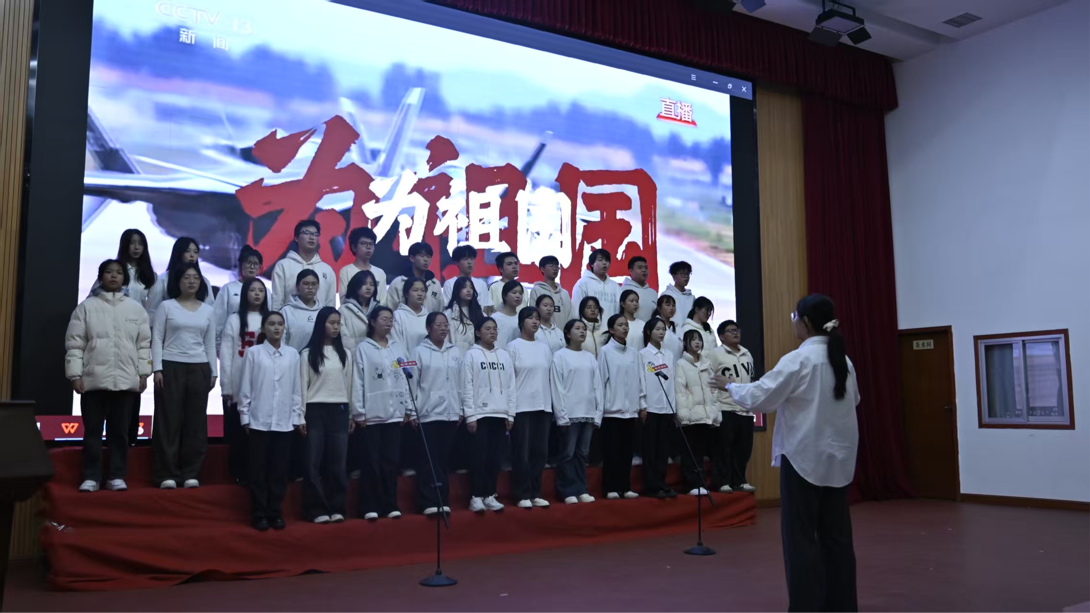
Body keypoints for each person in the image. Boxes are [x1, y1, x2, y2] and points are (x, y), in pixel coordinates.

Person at [711, 295, 860, 613]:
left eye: (794, 316)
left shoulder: (799, 360)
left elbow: (761, 397)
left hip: (803, 459)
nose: (793, 322)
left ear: (805, 322)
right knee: (837, 539)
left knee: (800, 540)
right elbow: (854, 400)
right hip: (838, 460)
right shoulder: (844, 361)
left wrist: (729, 386)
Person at [66, 260, 151, 493]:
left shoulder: (136, 309)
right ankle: (91, 477)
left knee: (120, 432)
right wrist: (75, 375)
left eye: (119, 273)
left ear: (125, 278)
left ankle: (116, 475)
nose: (114, 276)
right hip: (93, 380)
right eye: (109, 272)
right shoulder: (86, 308)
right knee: (92, 432)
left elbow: (144, 345)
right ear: (101, 276)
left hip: (125, 381)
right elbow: (75, 344)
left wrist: (144, 373)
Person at [151, 262, 217, 489]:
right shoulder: (166, 307)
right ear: (178, 281)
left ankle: (191, 473)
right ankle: (166, 474)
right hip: (171, 367)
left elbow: (210, 344)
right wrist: (157, 369)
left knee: (195, 423)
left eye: (196, 278)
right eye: (187, 277)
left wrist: (213, 372)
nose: (191, 281)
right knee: (168, 421)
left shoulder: (208, 310)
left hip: (199, 368)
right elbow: (157, 339)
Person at [238, 311, 303, 531]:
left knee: (279, 470)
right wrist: (245, 417)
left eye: (280, 324)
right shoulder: (254, 353)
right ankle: (259, 514)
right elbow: (245, 387)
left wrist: (296, 416)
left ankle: (275, 512)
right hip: (259, 421)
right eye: (272, 324)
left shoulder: (292, 355)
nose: (276, 328)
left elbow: (296, 389)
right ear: (263, 328)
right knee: (258, 471)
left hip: (284, 422)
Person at [351, 306, 410, 520]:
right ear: (372, 322)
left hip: (395, 413)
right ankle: (369, 506)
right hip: (371, 415)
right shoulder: (363, 349)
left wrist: (407, 408)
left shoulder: (398, 347)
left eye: (390, 319)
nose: (388, 323)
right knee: (371, 462)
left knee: (391, 461)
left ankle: (390, 504)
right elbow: (357, 381)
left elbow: (405, 378)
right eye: (384, 319)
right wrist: (359, 412)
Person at [299, 307, 353, 524]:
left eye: (338, 323)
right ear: (321, 324)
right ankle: (315, 509)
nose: (335, 327)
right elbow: (302, 387)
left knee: (338, 462)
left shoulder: (345, 354)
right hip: (315, 409)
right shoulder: (307, 354)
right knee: (313, 461)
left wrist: (351, 414)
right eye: (331, 323)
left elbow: (349, 385)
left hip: (339, 409)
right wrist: (301, 415)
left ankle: (337, 507)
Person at [408, 312, 462, 516]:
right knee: (428, 460)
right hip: (427, 414)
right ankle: (427, 501)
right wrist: (412, 411)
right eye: (438, 325)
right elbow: (412, 383)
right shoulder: (418, 352)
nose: (443, 328)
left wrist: (461, 409)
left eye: (445, 325)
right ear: (428, 328)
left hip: (451, 414)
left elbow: (461, 382)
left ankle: (442, 499)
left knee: (443, 459)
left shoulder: (455, 351)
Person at [461, 318, 515, 513]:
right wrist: (470, 415)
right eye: (487, 329)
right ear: (478, 332)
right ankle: (475, 497)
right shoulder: (471, 355)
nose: (492, 332)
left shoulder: (504, 355)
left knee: (494, 457)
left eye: (495, 329)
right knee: (479, 457)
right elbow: (466, 386)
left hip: (500, 413)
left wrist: (511, 414)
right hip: (480, 414)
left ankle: (490, 494)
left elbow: (511, 386)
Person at [219, 278, 269, 484]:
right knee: (239, 432)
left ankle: (259, 472)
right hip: (239, 382)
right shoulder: (234, 320)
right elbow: (226, 354)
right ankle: (238, 473)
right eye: (252, 290)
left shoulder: (269, 319)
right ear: (244, 293)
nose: (257, 294)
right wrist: (227, 386)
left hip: (264, 382)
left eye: (261, 290)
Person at [551, 320, 603, 504]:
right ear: (567, 333)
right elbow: (557, 387)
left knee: (582, 454)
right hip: (570, 413)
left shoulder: (590, 357)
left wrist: (598, 414)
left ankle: (582, 489)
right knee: (567, 454)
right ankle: (567, 491)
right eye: (577, 329)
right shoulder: (560, 356)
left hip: (588, 412)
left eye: (584, 329)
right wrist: (561, 415)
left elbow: (598, 386)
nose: (582, 332)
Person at [506, 307, 553, 509]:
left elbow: (549, 377)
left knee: (540, 452)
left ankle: (535, 492)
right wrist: (509, 410)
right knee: (522, 453)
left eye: (537, 318)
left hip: (543, 406)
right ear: (521, 322)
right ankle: (522, 493)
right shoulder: (512, 347)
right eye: (530, 318)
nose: (535, 321)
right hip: (522, 406)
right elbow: (508, 381)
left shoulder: (544, 348)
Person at [709, 320, 757, 494]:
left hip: (745, 409)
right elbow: (710, 381)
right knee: (724, 449)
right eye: (730, 331)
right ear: (721, 336)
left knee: (743, 449)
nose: (735, 333)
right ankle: (723, 482)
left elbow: (752, 379)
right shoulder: (715, 354)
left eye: (737, 330)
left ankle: (740, 480)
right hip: (725, 407)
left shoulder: (747, 354)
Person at [597, 314, 641, 500]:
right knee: (612, 452)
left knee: (626, 452)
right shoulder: (605, 352)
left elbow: (639, 380)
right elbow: (600, 382)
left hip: (630, 411)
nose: (625, 328)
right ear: (611, 329)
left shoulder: (633, 353)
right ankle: (610, 488)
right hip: (612, 411)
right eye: (620, 325)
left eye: (626, 325)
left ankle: (625, 487)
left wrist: (640, 405)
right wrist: (600, 410)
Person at [675, 329, 718, 496]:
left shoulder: (707, 363)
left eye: (699, 339)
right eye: (693, 339)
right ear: (686, 343)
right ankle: (691, 484)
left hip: (706, 416)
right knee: (689, 453)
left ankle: (701, 483)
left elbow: (714, 389)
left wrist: (714, 411)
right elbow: (680, 391)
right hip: (690, 416)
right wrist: (684, 415)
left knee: (700, 452)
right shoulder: (681, 364)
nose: (697, 342)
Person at [639, 317, 678, 499]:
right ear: (649, 332)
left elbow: (673, 381)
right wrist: (643, 405)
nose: (661, 332)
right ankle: (651, 486)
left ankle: (662, 484)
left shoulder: (669, 355)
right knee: (650, 450)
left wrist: (674, 407)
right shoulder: (643, 354)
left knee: (663, 450)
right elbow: (641, 380)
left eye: (663, 329)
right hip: (651, 408)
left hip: (667, 408)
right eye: (657, 329)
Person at [270, 220, 336, 310]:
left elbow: (330, 304)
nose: (312, 237)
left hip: (320, 319)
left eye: (315, 234)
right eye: (306, 233)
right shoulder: (283, 266)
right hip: (290, 318)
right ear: (296, 238)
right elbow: (277, 302)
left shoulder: (327, 270)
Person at [147, 237, 214, 320]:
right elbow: (153, 310)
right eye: (187, 251)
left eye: (195, 252)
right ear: (178, 253)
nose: (192, 255)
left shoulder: (204, 281)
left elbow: (210, 308)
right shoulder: (162, 279)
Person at [89, 229, 156, 310]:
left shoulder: (150, 274)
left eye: (140, 244)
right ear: (125, 244)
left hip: (138, 316)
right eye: (132, 243)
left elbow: (153, 307)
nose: (136, 247)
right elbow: (92, 296)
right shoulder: (113, 271)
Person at [212, 246, 264, 348]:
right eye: (248, 262)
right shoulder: (228, 289)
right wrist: (217, 346)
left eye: (255, 263)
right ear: (241, 265)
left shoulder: (266, 291)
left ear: (259, 268)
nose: (252, 266)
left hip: (257, 344)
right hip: (231, 342)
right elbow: (218, 320)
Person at [386, 242, 444, 313]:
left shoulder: (435, 284)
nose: (426, 259)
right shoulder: (398, 283)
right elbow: (390, 309)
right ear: (412, 258)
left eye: (428, 256)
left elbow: (440, 310)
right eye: (422, 256)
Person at [338, 227, 387, 306]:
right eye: (364, 243)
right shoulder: (346, 271)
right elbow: (344, 300)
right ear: (354, 247)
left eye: (371, 244)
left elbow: (383, 301)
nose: (368, 247)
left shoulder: (380, 273)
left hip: (376, 313)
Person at [571, 248, 620, 320]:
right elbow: (576, 311)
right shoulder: (582, 284)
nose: (604, 263)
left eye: (607, 260)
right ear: (592, 264)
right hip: (589, 327)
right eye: (600, 260)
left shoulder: (616, 287)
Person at [281, 269, 324, 351]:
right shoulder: (286, 311)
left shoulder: (323, 312)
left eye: (314, 284)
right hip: (292, 357)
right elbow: (281, 340)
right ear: (297, 286)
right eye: (306, 284)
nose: (310, 287)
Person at [339, 269, 379, 354]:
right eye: (364, 284)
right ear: (355, 286)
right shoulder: (344, 310)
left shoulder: (379, 309)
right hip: (353, 355)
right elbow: (344, 338)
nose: (368, 288)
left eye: (372, 285)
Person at [441, 244, 492, 310]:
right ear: (457, 262)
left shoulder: (481, 284)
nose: (469, 262)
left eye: (472, 259)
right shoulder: (449, 284)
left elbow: (487, 308)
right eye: (465, 259)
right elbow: (448, 307)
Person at [444, 276, 485, 353]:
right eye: (464, 287)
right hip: (455, 355)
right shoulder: (449, 314)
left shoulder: (480, 314)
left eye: (471, 287)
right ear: (457, 290)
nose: (469, 290)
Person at [528, 255, 572, 325]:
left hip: (563, 331)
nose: (555, 269)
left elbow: (570, 316)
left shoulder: (565, 293)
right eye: (551, 266)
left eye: (557, 266)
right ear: (542, 269)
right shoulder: (536, 290)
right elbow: (533, 314)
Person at [392, 277, 430, 352]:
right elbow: (396, 343)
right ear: (406, 294)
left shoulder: (429, 317)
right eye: (415, 290)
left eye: (423, 290)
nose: (420, 294)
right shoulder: (398, 316)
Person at [620, 256, 656, 322]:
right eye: (640, 267)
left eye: (646, 268)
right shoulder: (622, 290)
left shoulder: (653, 293)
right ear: (631, 271)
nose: (644, 270)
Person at [661, 261, 694, 328]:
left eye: (687, 274)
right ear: (674, 276)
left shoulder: (691, 297)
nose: (686, 277)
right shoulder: (667, 295)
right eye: (682, 274)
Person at [652, 294, 683, 365]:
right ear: (659, 308)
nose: (671, 308)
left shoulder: (678, 328)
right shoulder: (653, 326)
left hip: (677, 366)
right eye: (668, 305)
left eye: (673, 305)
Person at [491, 280, 523, 348]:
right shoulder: (495, 318)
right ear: (504, 296)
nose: (518, 296)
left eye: (520, 293)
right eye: (514, 292)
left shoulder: (522, 319)